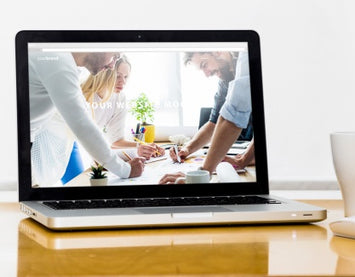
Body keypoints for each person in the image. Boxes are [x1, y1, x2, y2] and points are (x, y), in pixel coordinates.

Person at [30, 50, 145, 186]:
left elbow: (89, 126)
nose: (112, 66)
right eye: (114, 56)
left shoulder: (67, 65)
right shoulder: (58, 62)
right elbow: (84, 128)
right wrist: (126, 170)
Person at [159, 50, 253, 184]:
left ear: (218, 51)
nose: (207, 74)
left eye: (204, 64)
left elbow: (232, 119)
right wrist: (187, 148)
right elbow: (213, 124)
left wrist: (201, 175)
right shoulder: (225, 79)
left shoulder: (247, 59)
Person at [81, 55, 164, 160]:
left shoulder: (119, 98)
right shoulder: (84, 96)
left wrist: (143, 146)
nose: (123, 82)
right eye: (117, 76)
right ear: (104, 72)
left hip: (92, 150)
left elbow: (116, 141)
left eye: (125, 77)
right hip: (73, 144)